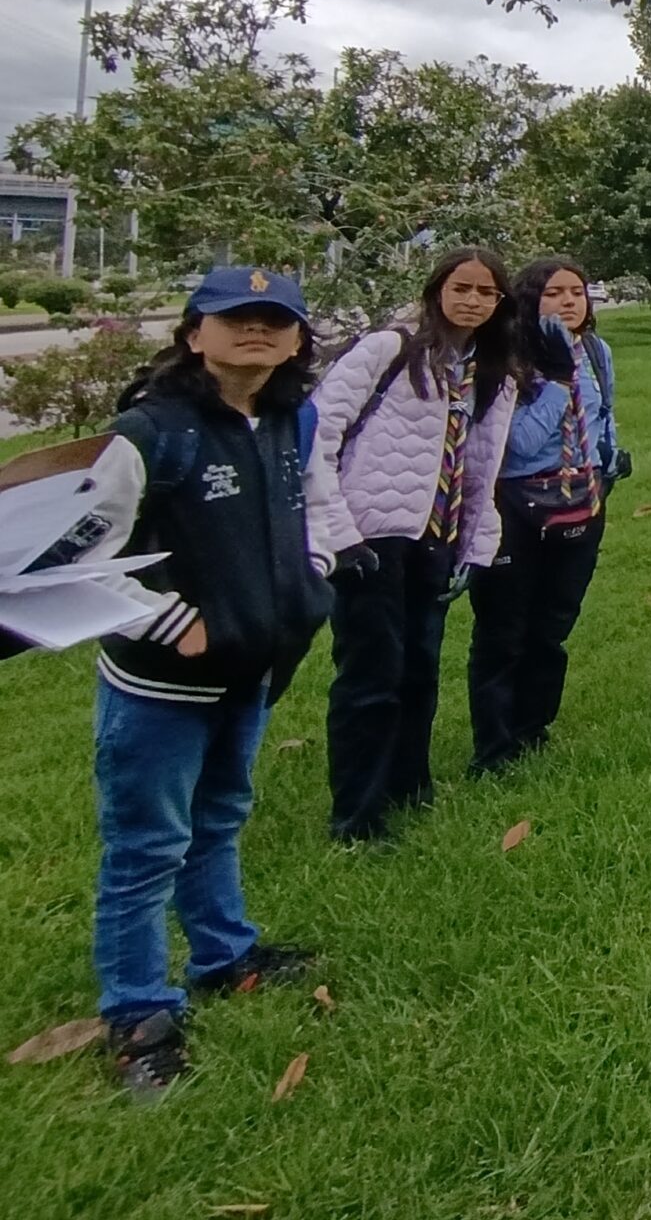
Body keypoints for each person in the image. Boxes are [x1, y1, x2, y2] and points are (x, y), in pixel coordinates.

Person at [91, 268, 332, 1099]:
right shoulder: (150, 433)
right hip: (162, 684)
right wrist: (165, 621)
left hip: (252, 665)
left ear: (298, 339)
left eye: (276, 320)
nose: (256, 332)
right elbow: (73, 563)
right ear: (196, 333)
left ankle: (225, 954)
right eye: (236, 318)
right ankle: (137, 1012)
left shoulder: (290, 417)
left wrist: (317, 575)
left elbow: (317, 506)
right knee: (146, 844)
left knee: (221, 816)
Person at [309, 246, 518, 842]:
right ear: (436, 289)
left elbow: (481, 467)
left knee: (420, 668)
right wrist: (339, 534)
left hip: (438, 536)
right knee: (370, 673)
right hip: (372, 536)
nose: (472, 301)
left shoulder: (490, 370)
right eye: (462, 288)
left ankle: (409, 785)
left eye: (486, 292)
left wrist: (476, 543)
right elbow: (319, 431)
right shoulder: (390, 350)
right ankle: (357, 813)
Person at [467, 257, 620, 773]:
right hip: (516, 505)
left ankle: (534, 727)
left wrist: (606, 461)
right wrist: (557, 381)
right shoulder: (508, 358)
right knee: (504, 629)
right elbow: (517, 446)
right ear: (530, 300)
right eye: (555, 293)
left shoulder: (596, 351)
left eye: (577, 291)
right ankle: (493, 745)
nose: (570, 302)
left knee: (553, 625)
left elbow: (603, 419)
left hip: (581, 499)